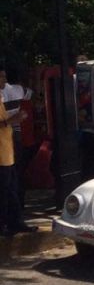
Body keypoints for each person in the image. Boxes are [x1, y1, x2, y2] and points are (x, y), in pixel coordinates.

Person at [0, 81, 34, 236]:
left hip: (7, 151)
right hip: (2, 154)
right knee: (4, 191)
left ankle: (16, 222)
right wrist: (11, 120)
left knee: (12, 189)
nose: (3, 80)